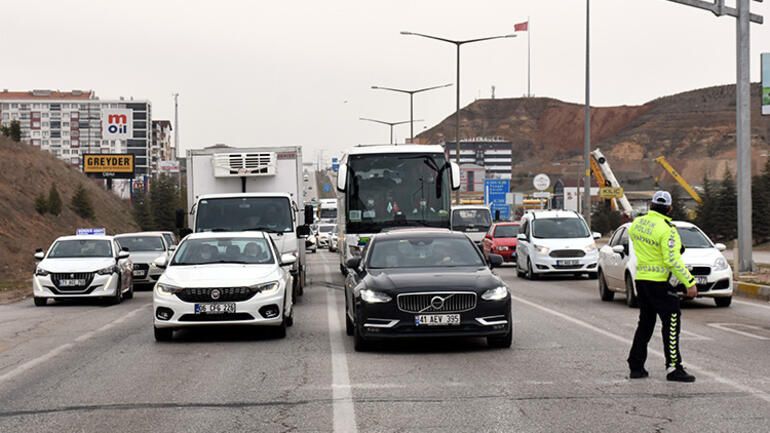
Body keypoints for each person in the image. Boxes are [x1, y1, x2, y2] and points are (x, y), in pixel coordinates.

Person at [627, 190, 698, 383]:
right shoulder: (667, 229)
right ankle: (673, 367)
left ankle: (636, 366)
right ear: (669, 207)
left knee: (645, 324)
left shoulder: (638, 224)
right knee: (672, 323)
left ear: (651, 205)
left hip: (641, 280)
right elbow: (672, 259)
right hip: (660, 283)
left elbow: (634, 239)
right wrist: (689, 282)